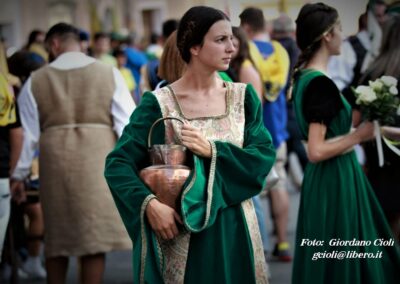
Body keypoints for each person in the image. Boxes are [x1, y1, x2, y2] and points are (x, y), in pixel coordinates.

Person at [104, 6, 276, 283]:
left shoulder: (242, 98)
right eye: (220, 40)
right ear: (194, 47)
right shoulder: (158, 104)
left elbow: (263, 158)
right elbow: (118, 164)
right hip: (181, 235)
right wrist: (149, 204)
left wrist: (213, 151)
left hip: (236, 229)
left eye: (231, 39)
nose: (231, 47)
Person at [12, 23, 134, 284]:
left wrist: (19, 175)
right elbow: (127, 125)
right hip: (97, 158)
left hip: (55, 161)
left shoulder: (37, 80)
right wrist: (132, 165)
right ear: (77, 42)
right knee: (92, 239)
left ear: (54, 44)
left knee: (57, 236)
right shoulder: (109, 73)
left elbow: (29, 135)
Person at [291, 3, 400, 283]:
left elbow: (332, 134)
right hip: (334, 178)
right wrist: (358, 136)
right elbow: (315, 150)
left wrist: (381, 131)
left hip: (330, 178)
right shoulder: (319, 83)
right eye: (339, 28)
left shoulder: (305, 77)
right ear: (327, 35)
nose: (343, 34)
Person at [240, 7, 292, 262]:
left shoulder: (245, 51)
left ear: (246, 27)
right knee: (279, 182)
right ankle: (282, 242)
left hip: (256, 131)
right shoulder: (280, 51)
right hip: (279, 128)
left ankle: (255, 252)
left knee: (254, 193)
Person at [360, 13, 400, 241]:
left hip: (379, 156)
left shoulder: (372, 73)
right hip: (389, 154)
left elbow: (359, 120)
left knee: (385, 225)